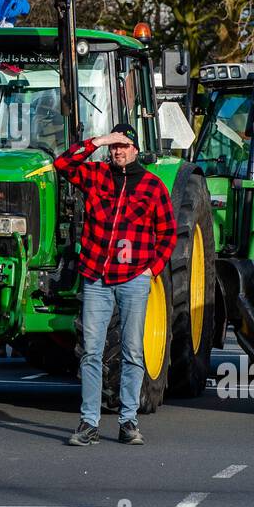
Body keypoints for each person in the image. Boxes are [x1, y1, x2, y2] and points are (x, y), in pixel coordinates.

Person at [53, 123, 177, 446]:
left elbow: (167, 234)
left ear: (135, 149)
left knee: (133, 351)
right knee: (91, 352)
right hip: (96, 276)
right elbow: (62, 164)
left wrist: (152, 269)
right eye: (114, 146)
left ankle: (128, 421)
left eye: (123, 145)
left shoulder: (152, 187)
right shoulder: (96, 176)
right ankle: (89, 423)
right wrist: (98, 140)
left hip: (135, 278)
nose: (118, 151)